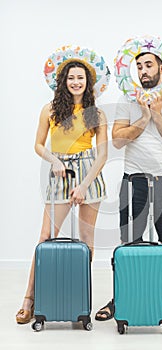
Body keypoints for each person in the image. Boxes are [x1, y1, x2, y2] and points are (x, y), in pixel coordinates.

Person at [95, 51, 162, 321]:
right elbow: (117, 140)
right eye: (139, 66)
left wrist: (157, 115)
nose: (142, 70)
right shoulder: (126, 101)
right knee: (127, 244)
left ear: (161, 69)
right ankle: (120, 297)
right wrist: (142, 117)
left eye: (148, 65)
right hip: (134, 180)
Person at [16, 53, 108, 324]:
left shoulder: (95, 112)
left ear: (88, 82)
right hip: (60, 172)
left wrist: (84, 185)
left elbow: (102, 154)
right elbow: (38, 145)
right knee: (45, 237)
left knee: (86, 243)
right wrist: (54, 160)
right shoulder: (50, 109)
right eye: (71, 78)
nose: (76, 82)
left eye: (81, 78)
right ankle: (29, 299)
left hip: (89, 174)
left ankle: (77, 297)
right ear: (63, 81)